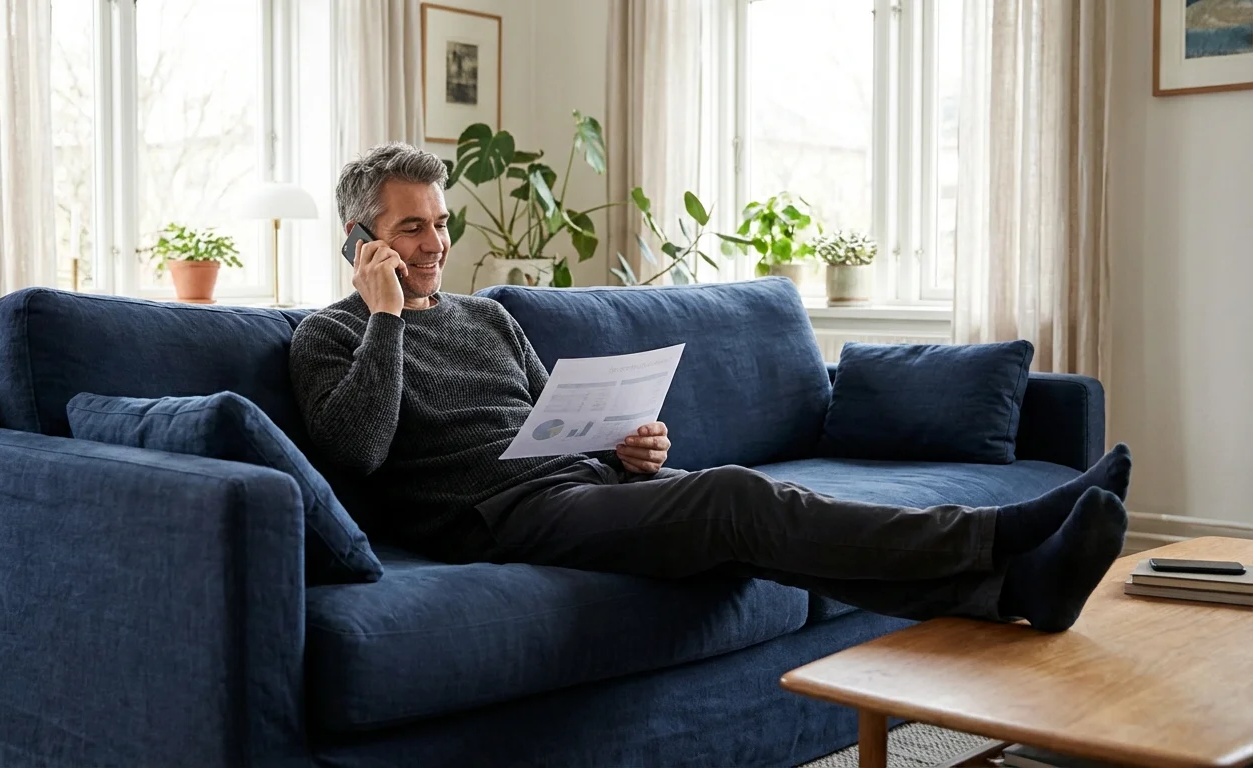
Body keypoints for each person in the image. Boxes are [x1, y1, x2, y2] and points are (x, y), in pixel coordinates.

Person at [289, 142, 1131, 632]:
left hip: (577, 488)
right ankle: (1001, 535)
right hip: (493, 520)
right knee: (737, 497)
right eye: (412, 227)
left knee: (769, 514)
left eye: (441, 222)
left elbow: (550, 422)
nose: (436, 242)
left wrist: (625, 447)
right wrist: (387, 316)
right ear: (362, 238)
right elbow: (356, 452)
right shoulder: (329, 334)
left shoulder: (487, 319)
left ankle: (1012, 589)